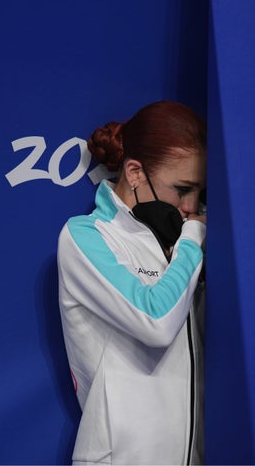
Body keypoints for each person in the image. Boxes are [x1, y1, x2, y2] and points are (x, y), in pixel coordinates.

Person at [57, 100, 207, 465]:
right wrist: (192, 239)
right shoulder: (87, 236)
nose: (191, 206)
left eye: (199, 194)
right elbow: (155, 322)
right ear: (136, 173)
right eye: (182, 189)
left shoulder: (179, 241)